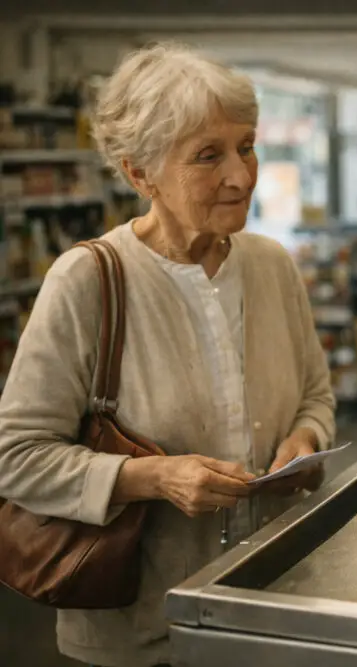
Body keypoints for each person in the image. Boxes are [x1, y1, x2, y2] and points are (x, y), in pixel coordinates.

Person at [0, 43, 335, 667]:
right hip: (145, 631)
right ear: (140, 174)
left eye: (247, 144)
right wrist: (154, 478)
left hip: (272, 608)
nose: (241, 174)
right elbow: (16, 458)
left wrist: (306, 439)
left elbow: (315, 393)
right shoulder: (87, 282)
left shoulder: (271, 266)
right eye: (208, 156)